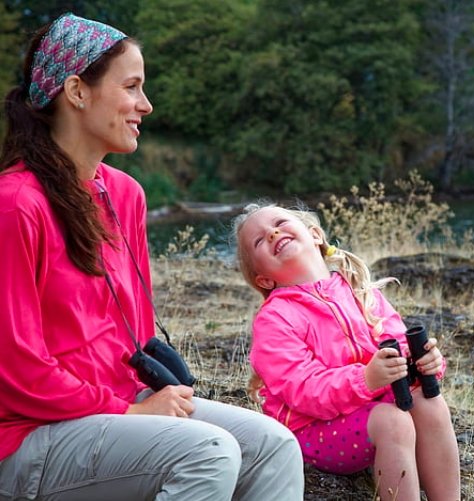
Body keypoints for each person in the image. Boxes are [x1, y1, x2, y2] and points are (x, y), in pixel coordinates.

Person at [0, 13, 303, 501]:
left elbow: (135, 333)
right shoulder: (15, 204)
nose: (146, 104)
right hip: (30, 434)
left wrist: (146, 401)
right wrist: (131, 414)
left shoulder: (125, 195)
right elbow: (14, 370)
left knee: (273, 444)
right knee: (207, 452)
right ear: (77, 92)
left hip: (118, 408)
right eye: (132, 87)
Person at [233, 203, 461, 501]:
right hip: (313, 431)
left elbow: (398, 345)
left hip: (370, 407)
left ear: (315, 235)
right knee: (392, 421)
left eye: (279, 222)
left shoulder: (359, 290)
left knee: (430, 402)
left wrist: (424, 363)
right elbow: (303, 390)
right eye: (260, 240)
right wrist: (365, 379)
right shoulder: (275, 318)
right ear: (264, 279)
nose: (273, 232)